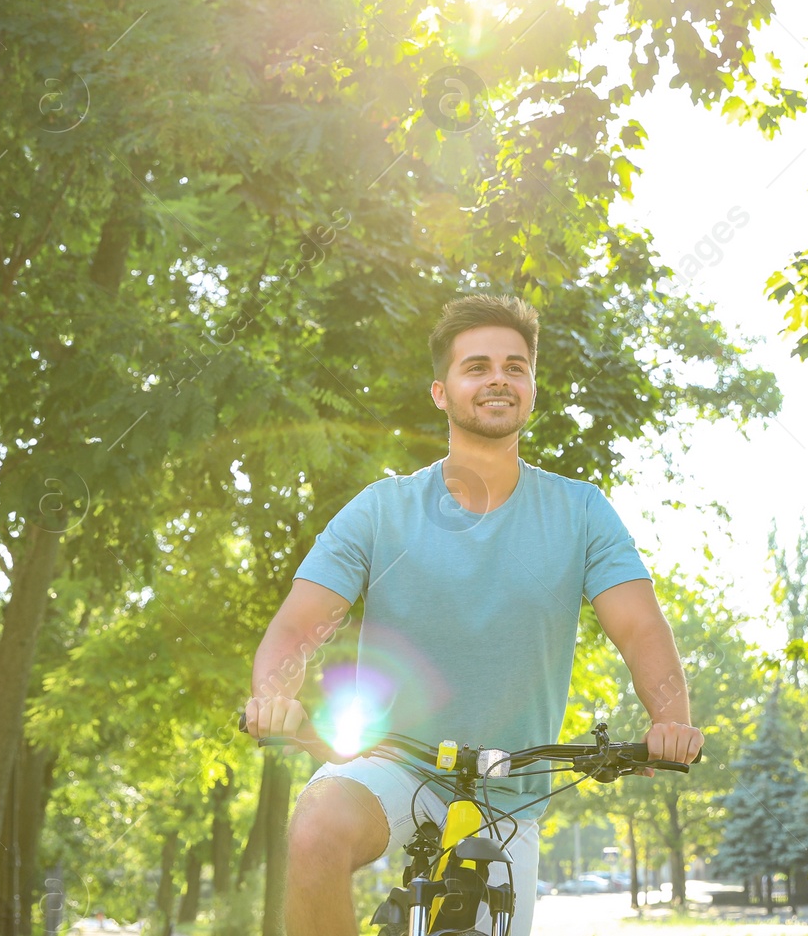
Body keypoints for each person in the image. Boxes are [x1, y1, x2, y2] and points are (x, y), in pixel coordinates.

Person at [243, 293, 704, 936]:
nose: (498, 379)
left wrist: (670, 721)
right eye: (478, 366)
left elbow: (639, 627)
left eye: (516, 367)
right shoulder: (382, 510)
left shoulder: (582, 512)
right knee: (316, 827)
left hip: (511, 793)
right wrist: (272, 696)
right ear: (441, 391)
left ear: (532, 388)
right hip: (390, 762)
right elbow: (300, 626)